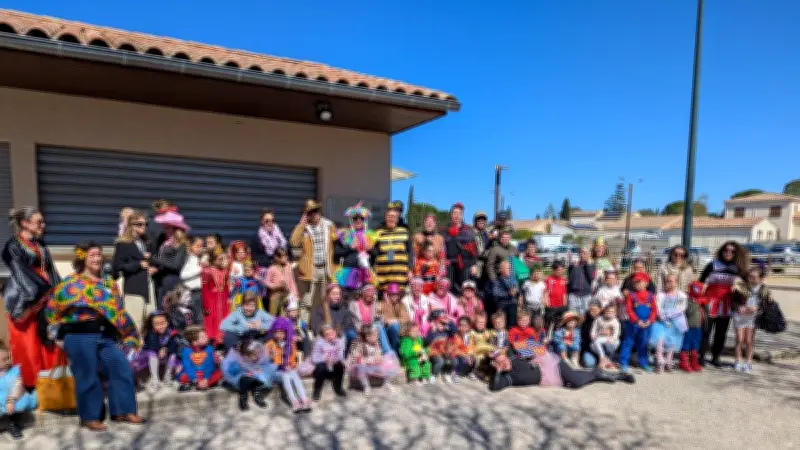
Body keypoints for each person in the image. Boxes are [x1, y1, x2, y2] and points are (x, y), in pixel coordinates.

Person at [46, 242, 145, 431]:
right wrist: (55, 335)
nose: (97, 258)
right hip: (79, 335)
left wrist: (127, 334)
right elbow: (52, 310)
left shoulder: (110, 283)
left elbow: (117, 311)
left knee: (120, 366)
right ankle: (90, 417)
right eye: (92, 255)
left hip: (105, 336)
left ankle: (123, 411)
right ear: (83, 258)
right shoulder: (70, 283)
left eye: (99, 255)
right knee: (87, 375)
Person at [2, 207, 62, 388]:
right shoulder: (12, 246)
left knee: (48, 340)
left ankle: (52, 383)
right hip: (26, 298)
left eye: (43, 222)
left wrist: (59, 291)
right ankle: (31, 385)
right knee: (29, 344)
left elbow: (51, 271)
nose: (43, 225)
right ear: (25, 223)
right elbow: (21, 273)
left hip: (45, 295)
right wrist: (41, 292)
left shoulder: (41, 245)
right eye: (39, 222)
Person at [480, 350, 634, 392]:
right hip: (549, 378)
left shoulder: (513, 356)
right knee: (574, 380)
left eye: (504, 358)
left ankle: (616, 376)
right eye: (501, 362)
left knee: (576, 381)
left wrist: (534, 356)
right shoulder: (508, 378)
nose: (505, 361)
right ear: (495, 365)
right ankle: (598, 373)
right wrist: (499, 371)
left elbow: (535, 346)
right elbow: (494, 387)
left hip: (550, 364)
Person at [699, 241, 749, 367]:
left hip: (726, 304)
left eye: (732, 251)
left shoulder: (739, 268)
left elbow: (744, 288)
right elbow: (700, 283)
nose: (728, 253)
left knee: (721, 333)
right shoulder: (712, 265)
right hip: (709, 302)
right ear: (722, 251)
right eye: (726, 250)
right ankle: (701, 356)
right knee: (705, 331)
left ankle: (716, 357)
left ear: (736, 253)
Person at [291, 200, 338, 323]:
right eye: (311, 212)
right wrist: (301, 225)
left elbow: (340, 240)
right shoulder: (304, 229)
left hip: (325, 268)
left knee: (325, 300)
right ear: (307, 214)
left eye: (316, 210)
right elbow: (294, 242)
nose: (315, 214)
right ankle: (303, 329)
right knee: (307, 301)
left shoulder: (329, 225)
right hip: (309, 269)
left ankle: (325, 326)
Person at [113, 209, 155, 330]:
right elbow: (118, 267)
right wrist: (138, 264)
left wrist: (153, 267)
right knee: (135, 324)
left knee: (149, 322)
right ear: (131, 225)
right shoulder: (123, 244)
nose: (144, 227)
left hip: (148, 287)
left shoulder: (146, 242)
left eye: (145, 224)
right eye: (139, 224)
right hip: (134, 288)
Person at [731, 266, 774, 374]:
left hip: (753, 317)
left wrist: (757, 308)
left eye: (754, 277)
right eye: (749, 276)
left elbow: (768, 305)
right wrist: (739, 307)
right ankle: (737, 361)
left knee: (749, 341)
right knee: (740, 339)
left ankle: (748, 362)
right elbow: (733, 302)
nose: (750, 279)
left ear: (761, 278)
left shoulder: (764, 289)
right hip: (740, 316)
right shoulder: (740, 287)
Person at [266, 317, 311, 413]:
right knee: (285, 375)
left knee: (294, 374)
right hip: (275, 371)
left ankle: (304, 399)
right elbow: (264, 361)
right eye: (276, 332)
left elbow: (293, 360)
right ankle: (294, 401)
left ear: (286, 333)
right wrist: (270, 356)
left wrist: (292, 365)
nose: (278, 335)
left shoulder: (291, 344)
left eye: (281, 333)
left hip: (286, 370)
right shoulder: (270, 344)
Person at [150, 207, 190, 309]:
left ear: (175, 229)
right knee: (161, 309)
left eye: (167, 227)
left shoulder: (181, 245)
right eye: (164, 227)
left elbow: (176, 265)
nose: (164, 229)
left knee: (170, 309)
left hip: (172, 281)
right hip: (161, 281)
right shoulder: (164, 242)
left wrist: (155, 259)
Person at [333, 202, 377, 293]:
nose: (358, 220)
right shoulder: (344, 234)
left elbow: (376, 255)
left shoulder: (370, 235)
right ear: (351, 220)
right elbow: (337, 253)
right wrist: (350, 247)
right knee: (347, 302)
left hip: (365, 275)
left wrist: (371, 249)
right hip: (348, 275)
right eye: (355, 218)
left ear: (365, 220)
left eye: (361, 218)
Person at [619, 272, 658, 373]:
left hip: (646, 324)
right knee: (628, 342)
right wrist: (637, 321)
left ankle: (643, 362)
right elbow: (629, 310)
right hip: (633, 324)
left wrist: (650, 320)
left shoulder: (651, 296)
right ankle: (623, 362)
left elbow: (654, 310)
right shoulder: (631, 296)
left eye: (640, 282)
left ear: (646, 283)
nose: (638, 285)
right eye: (636, 283)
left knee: (643, 343)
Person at [221, 338, 275, 411]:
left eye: (257, 354)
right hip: (238, 375)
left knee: (263, 377)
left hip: (252, 372)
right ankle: (243, 398)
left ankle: (257, 395)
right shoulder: (236, 358)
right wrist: (244, 372)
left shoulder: (253, 354)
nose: (257, 357)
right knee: (245, 379)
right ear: (246, 356)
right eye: (255, 355)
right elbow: (230, 371)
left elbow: (261, 362)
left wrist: (269, 357)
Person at [0, 340, 38, 440]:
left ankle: (13, 424)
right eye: (3, 360)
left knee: (18, 405)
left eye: (8, 358)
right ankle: (4, 422)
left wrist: (11, 400)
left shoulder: (14, 371)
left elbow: (18, 386)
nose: (8, 361)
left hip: (13, 397)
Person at [134, 311, 180, 392]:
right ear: (152, 325)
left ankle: (167, 376)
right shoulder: (150, 333)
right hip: (151, 356)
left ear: (167, 322)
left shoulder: (171, 332)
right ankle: (155, 378)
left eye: (163, 323)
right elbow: (152, 345)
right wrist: (159, 349)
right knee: (152, 353)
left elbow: (174, 345)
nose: (161, 326)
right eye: (157, 324)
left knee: (173, 355)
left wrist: (166, 349)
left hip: (165, 355)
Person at [348, 324, 400, 396]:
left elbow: (379, 353)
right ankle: (366, 385)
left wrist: (379, 358)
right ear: (367, 337)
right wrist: (366, 360)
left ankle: (386, 383)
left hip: (375, 363)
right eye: (374, 336)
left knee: (388, 362)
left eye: (377, 335)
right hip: (365, 364)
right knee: (360, 369)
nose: (377, 337)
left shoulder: (376, 343)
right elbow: (356, 356)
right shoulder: (360, 344)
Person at [651, 274, 688, 374]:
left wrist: (668, 314)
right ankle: (659, 360)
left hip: (676, 321)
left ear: (676, 282)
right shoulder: (660, 294)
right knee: (660, 340)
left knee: (672, 342)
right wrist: (662, 316)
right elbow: (658, 307)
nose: (669, 283)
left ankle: (668, 361)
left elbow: (680, 308)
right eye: (667, 281)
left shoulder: (682, 295)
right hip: (662, 321)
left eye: (671, 281)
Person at [373, 204, 413, 291]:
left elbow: (410, 252)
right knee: (384, 302)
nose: (391, 218)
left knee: (398, 301)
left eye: (393, 216)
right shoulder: (378, 232)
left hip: (400, 276)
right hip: (383, 276)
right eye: (389, 216)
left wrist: (410, 269)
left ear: (397, 219)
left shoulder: (405, 232)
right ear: (385, 217)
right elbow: (374, 252)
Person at [443, 202, 478, 295]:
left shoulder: (468, 231)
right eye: (454, 213)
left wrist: (474, 265)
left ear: (462, 216)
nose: (456, 216)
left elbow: (474, 251)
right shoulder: (445, 231)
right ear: (451, 215)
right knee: (449, 290)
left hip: (465, 265)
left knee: (464, 290)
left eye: (459, 214)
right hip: (449, 265)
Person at [347, 284, 392, 354]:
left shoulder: (374, 304)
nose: (370, 294)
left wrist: (380, 316)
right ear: (362, 293)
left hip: (372, 330)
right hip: (359, 329)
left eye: (372, 292)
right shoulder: (353, 305)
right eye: (368, 291)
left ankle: (387, 352)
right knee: (377, 327)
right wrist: (366, 329)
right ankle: (388, 352)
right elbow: (353, 322)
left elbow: (380, 321)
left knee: (379, 326)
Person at [176, 326, 222, 392]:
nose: (207, 337)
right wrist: (195, 380)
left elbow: (210, 365)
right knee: (181, 376)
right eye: (203, 337)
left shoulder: (209, 349)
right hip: (193, 375)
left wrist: (206, 378)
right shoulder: (186, 351)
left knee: (220, 373)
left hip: (206, 374)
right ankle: (200, 385)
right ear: (194, 342)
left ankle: (199, 385)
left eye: (206, 335)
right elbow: (188, 367)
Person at [310, 324, 347, 400]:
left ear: (335, 332)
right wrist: (325, 358)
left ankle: (338, 388)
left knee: (340, 365)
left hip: (332, 366)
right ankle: (317, 390)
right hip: (321, 367)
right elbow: (314, 358)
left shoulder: (340, 340)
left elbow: (341, 356)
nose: (330, 336)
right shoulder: (319, 342)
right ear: (323, 336)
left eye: (332, 333)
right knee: (321, 367)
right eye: (327, 334)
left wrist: (335, 359)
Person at [201, 251, 231, 344]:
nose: (222, 261)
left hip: (223, 300)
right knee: (212, 320)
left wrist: (228, 300)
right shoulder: (207, 271)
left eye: (223, 259)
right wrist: (206, 305)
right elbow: (205, 290)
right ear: (213, 260)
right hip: (212, 300)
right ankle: (213, 341)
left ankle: (222, 341)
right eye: (220, 259)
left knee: (223, 319)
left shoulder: (225, 271)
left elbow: (226, 287)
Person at [680, 282, 709, 373]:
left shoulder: (701, 298)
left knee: (695, 345)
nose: (701, 291)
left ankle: (694, 362)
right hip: (689, 327)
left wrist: (705, 303)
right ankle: (684, 362)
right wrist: (697, 302)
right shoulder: (687, 299)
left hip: (698, 326)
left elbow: (706, 312)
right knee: (686, 344)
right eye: (699, 289)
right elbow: (689, 311)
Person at [180, 235, 206, 326]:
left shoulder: (200, 258)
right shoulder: (188, 259)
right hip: (192, 292)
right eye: (197, 246)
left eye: (201, 246)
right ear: (190, 246)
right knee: (196, 316)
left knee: (200, 315)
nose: (200, 248)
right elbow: (183, 275)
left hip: (201, 292)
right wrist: (200, 269)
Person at [264, 247, 298, 316]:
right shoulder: (272, 268)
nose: (286, 258)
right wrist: (276, 286)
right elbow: (266, 282)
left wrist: (295, 294)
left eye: (286, 256)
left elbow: (292, 281)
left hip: (286, 295)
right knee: (273, 315)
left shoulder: (288, 266)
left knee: (284, 316)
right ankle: (273, 326)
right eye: (283, 256)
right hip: (275, 295)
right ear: (276, 258)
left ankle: (282, 326)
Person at [424, 311, 456, 384]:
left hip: (444, 353)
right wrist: (432, 331)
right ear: (435, 323)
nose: (442, 325)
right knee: (440, 361)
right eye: (440, 323)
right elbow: (426, 342)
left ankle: (447, 374)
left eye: (444, 324)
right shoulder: (432, 332)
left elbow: (454, 331)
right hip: (434, 354)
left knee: (453, 361)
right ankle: (433, 375)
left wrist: (449, 321)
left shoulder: (447, 332)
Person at [382, 283, 411, 353]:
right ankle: (394, 352)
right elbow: (385, 320)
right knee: (395, 326)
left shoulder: (401, 304)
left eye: (396, 294)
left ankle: (398, 351)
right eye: (392, 294)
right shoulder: (382, 304)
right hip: (386, 330)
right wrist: (388, 304)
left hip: (398, 330)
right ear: (387, 295)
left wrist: (395, 320)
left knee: (397, 326)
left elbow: (406, 318)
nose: (394, 296)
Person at [488, 261, 519, 327]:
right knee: (502, 325)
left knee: (512, 325)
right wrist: (508, 293)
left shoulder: (513, 280)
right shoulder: (496, 281)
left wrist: (517, 292)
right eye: (508, 268)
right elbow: (496, 293)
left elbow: (517, 290)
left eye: (510, 268)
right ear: (501, 269)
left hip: (513, 305)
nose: (510, 270)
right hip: (502, 306)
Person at [591, 304, 621, 370]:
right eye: (607, 311)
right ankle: (602, 358)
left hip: (609, 339)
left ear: (615, 313)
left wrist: (611, 339)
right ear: (604, 312)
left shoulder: (615, 321)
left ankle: (607, 360)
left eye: (612, 312)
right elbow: (593, 329)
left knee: (617, 342)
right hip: (599, 338)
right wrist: (593, 335)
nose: (609, 313)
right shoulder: (599, 319)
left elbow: (616, 333)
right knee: (596, 342)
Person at [567, 248, 595, 315]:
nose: (583, 255)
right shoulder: (574, 265)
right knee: (573, 316)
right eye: (581, 252)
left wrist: (587, 265)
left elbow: (591, 278)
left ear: (589, 254)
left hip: (586, 295)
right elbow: (570, 279)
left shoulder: (592, 265)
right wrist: (572, 265)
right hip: (574, 295)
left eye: (585, 253)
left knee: (585, 316)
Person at [543, 261, 568, 327]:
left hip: (561, 306)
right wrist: (547, 304)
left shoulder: (563, 280)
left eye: (562, 270)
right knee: (548, 324)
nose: (561, 272)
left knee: (560, 324)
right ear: (554, 270)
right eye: (559, 270)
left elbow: (564, 293)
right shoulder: (549, 279)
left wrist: (564, 305)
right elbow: (546, 293)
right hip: (551, 306)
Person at [450, 316, 476, 381]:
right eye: (460, 325)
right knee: (462, 360)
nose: (462, 328)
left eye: (465, 326)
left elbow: (471, 347)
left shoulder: (469, 336)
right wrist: (465, 355)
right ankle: (456, 373)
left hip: (466, 355)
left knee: (474, 359)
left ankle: (469, 372)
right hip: (457, 356)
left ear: (469, 327)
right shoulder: (456, 336)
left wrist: (470, 355)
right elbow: (455, 350)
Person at [580, 301, 603, 368]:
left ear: (600, 309)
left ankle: (605, 359)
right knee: (589, 364)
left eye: (596, 310)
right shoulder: (585, 319)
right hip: (589, 348)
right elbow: (583, 338)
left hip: (602, 347)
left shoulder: (604, 319)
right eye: (591, 310)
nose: (593, 312)